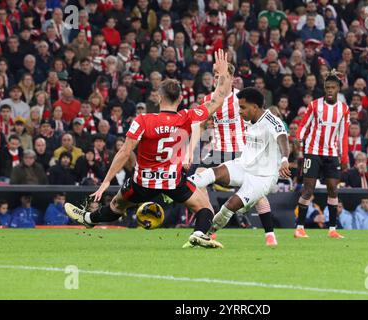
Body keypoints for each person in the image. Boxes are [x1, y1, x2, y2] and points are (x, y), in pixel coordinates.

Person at [64, 49, 232, 249]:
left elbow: (124, 152)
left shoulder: (143, 120)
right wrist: (223, 74)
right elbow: (218, 98)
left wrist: (106, 182)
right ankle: (198, 233)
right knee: (205, 208)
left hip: (142, 182)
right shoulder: (187, 117)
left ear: (159, 98)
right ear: (179, 99)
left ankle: (89, 218)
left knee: (117, 205)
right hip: (172, 182)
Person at [190, 64, 278, 246]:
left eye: (222, 76)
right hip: (218, 151)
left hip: (242, 151)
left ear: (231, 78)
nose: (218, 80)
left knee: (258, 192)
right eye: (216, 76)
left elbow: (260, 120)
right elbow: (201, 125)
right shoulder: (209, 100)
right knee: (198, 179)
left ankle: (270, 234)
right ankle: (207, 227)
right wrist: (192, 151)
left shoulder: (241, 98)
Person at [294, 70, 350, 239]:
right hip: (312, 152)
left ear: (338, 88)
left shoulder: (343, 109)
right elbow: (304, 125)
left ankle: (332, 229)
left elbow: (343, 135)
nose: (330, 90)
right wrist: (298, 139)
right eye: (327, 87)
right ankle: (299, 228)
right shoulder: (315, 105)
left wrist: (344, 157)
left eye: (333, 87)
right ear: (324, 88)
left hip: (331, 154)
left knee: (333, 189)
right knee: (308, 189)